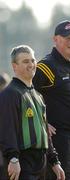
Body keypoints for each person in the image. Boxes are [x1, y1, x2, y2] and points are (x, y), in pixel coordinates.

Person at [0, 45, 65, 180]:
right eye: (25, 61)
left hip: (41, 163)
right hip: (22, 162)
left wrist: (54, 161)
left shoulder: (38, 95)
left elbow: (44, 131)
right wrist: (13, 158)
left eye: (32, 60)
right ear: (14, 66)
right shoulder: (10, 94)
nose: (31, 64)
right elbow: (7, 128)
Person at [33, 20, 70, 180]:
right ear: (56, 39)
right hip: (59, 141)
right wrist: (41, 123)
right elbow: (25, 95)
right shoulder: (45, 66)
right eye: (67, 37)